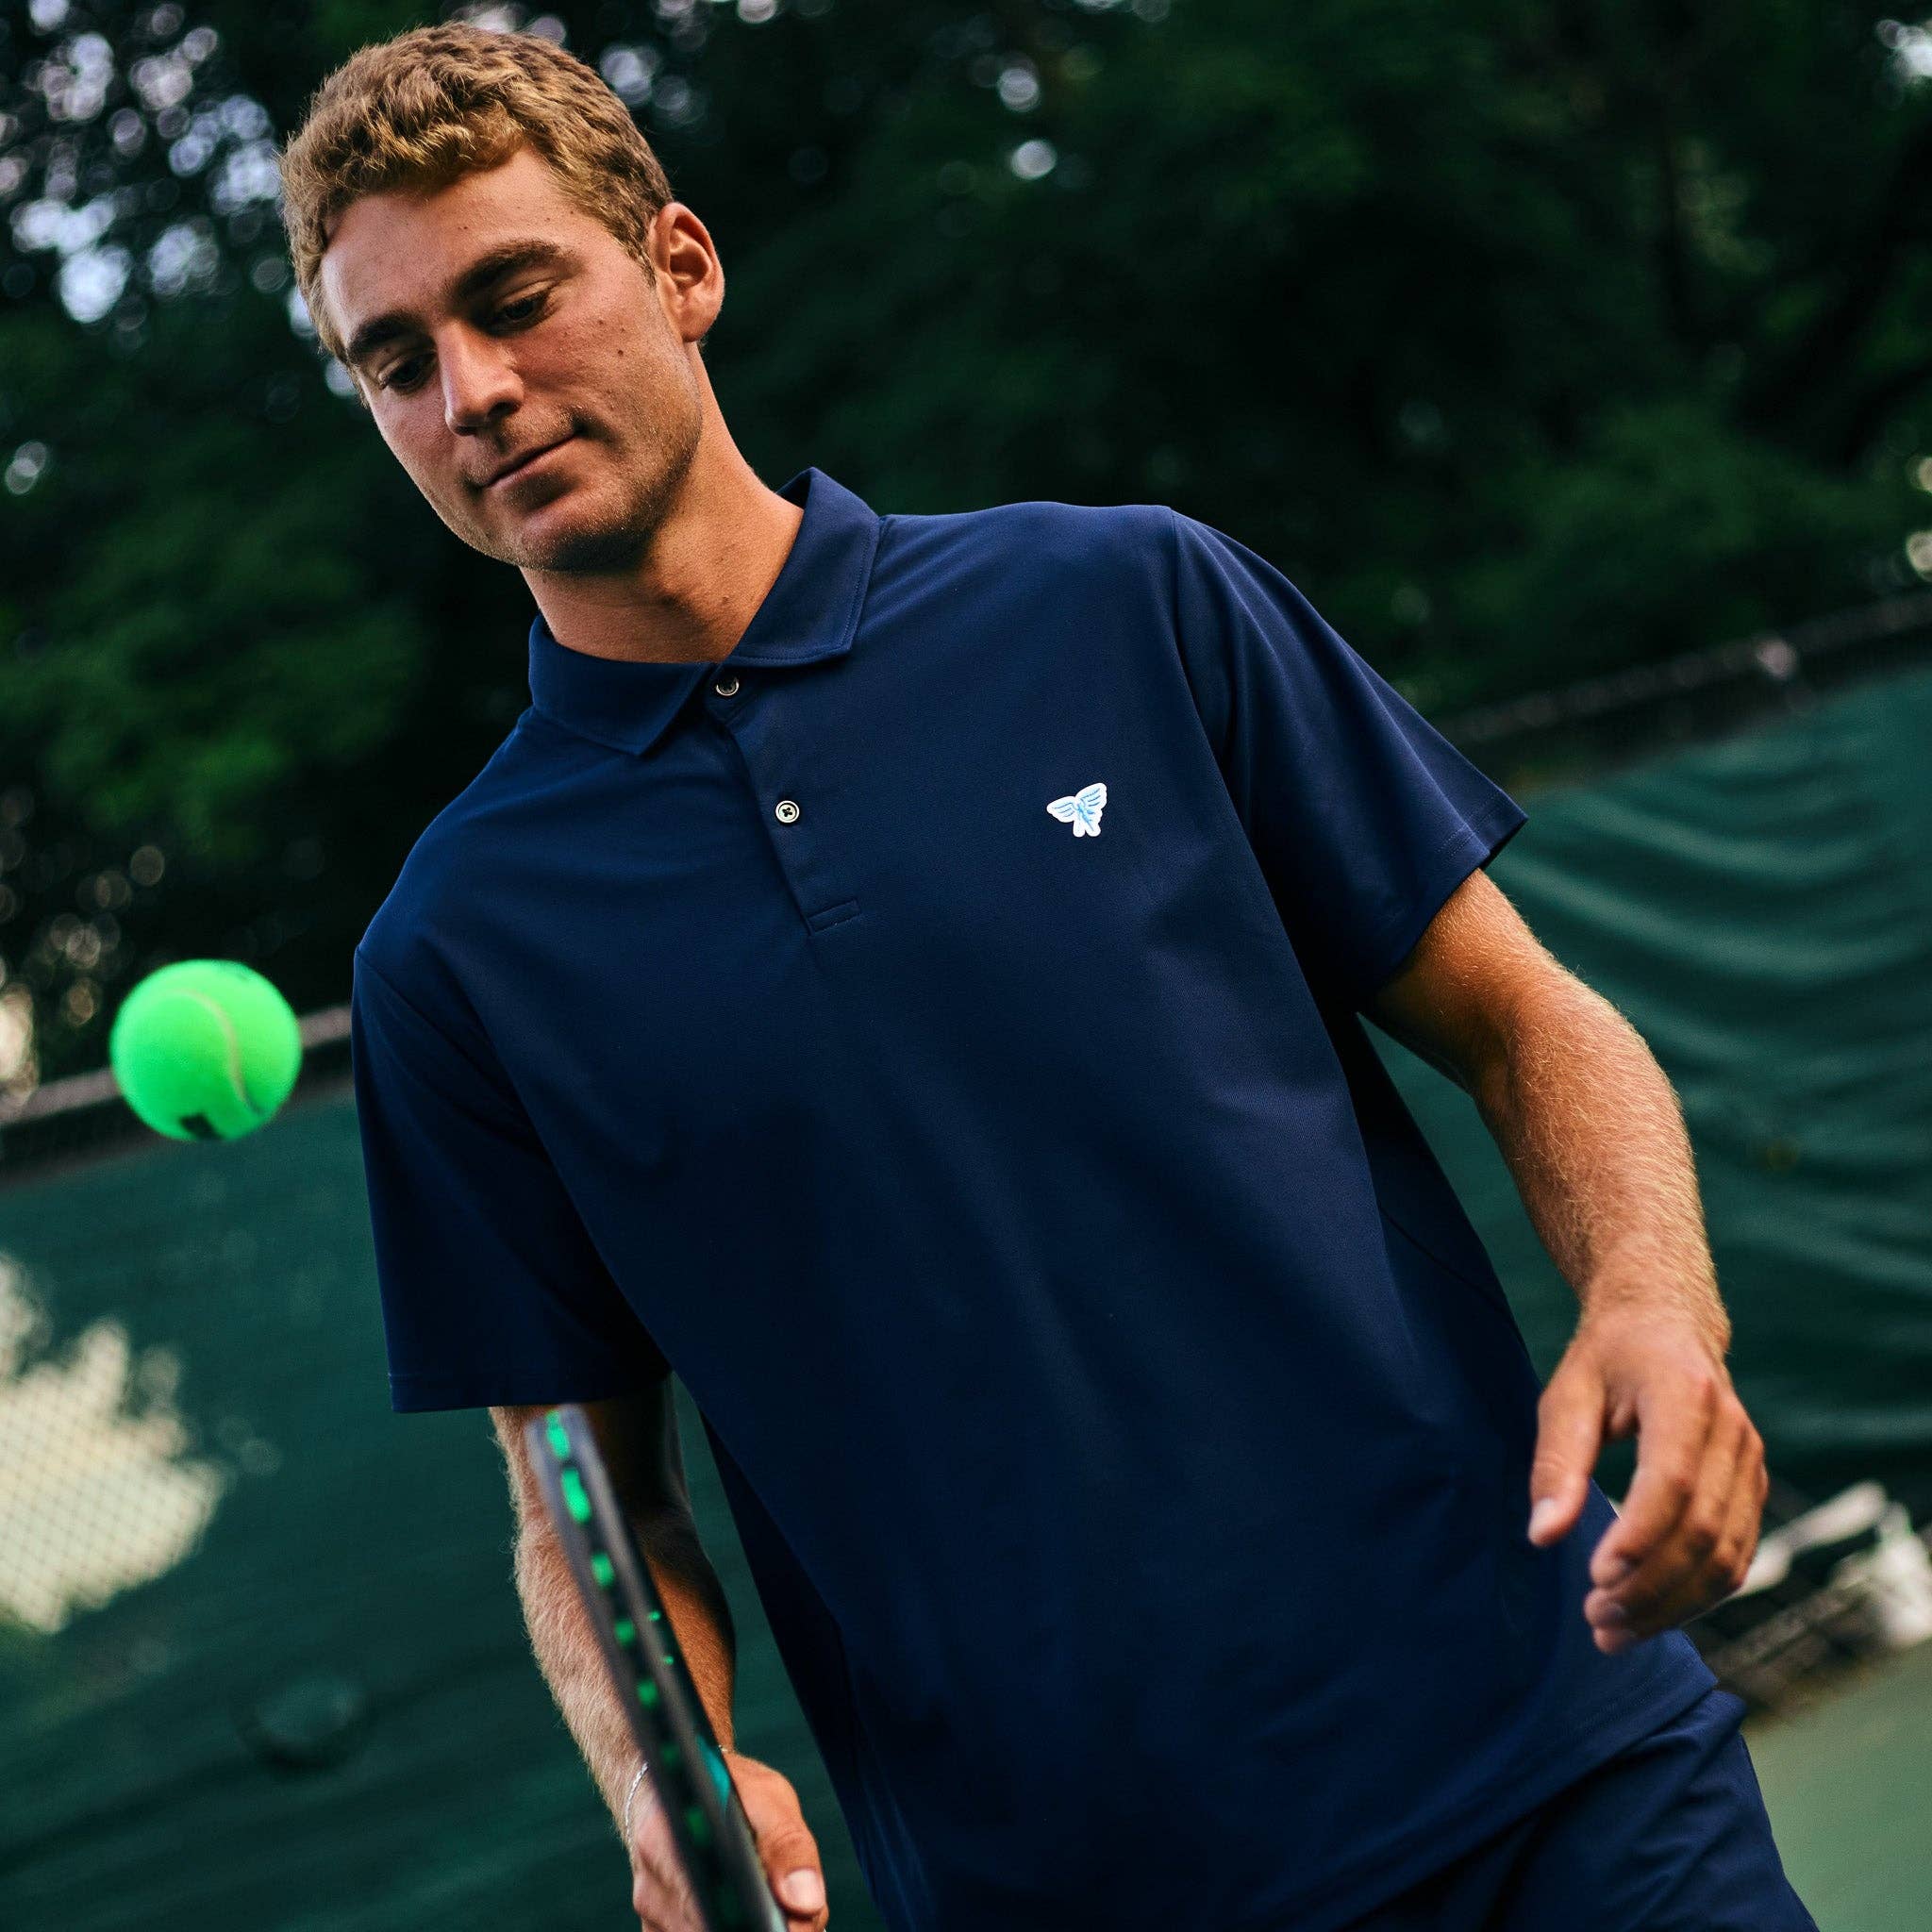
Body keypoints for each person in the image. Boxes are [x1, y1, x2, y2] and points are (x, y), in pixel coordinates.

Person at [282, 23, 1816, 1932]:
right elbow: (581, 1494)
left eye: (515, 300)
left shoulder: (1128, 600)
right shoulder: (453, 951)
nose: (475, 392)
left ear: (680, 266)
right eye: (396, 361)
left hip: (1555, 1775)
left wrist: (1655, 1302)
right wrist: (661, 1763)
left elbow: (1525, 1022)